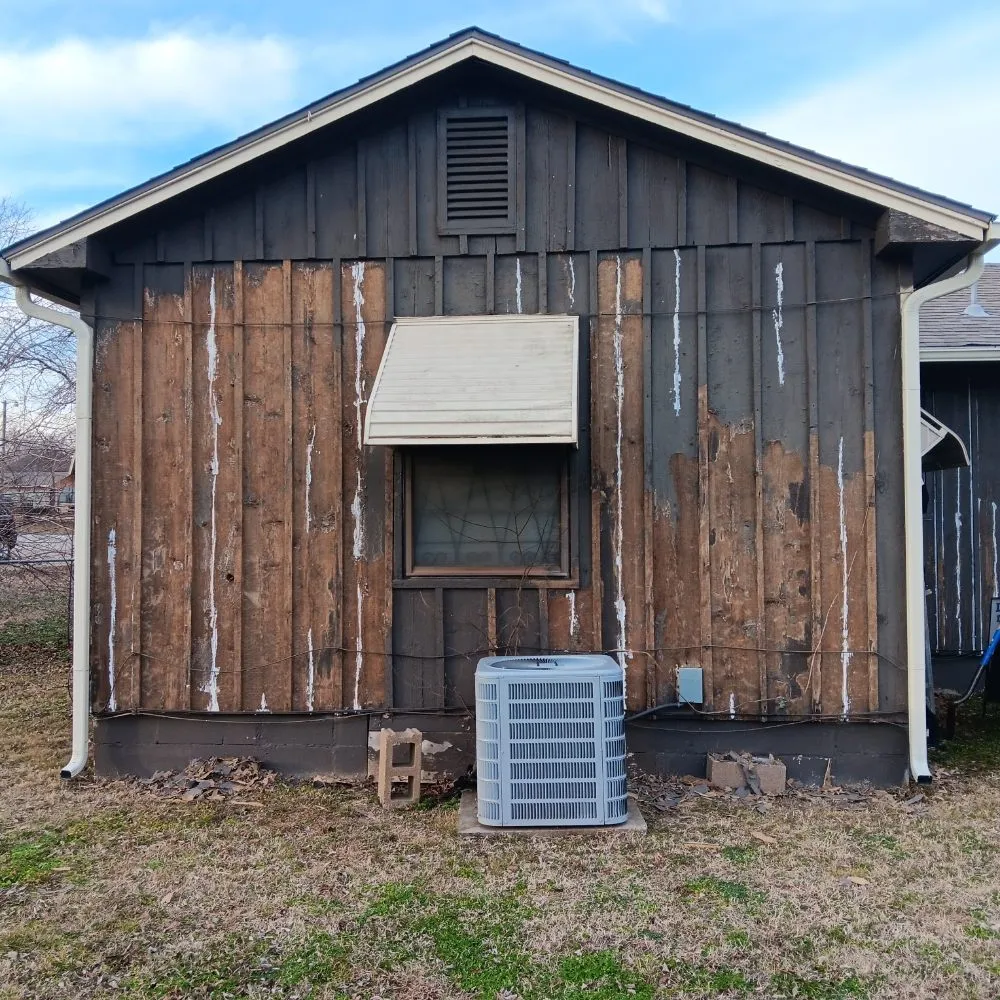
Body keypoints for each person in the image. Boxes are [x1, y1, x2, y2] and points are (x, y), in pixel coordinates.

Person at [0, 494, 16, 560]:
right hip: (7, 521)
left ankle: (8, 553)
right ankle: (7, 553)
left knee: (10, 536)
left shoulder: (3, 498)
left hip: (6, 521)